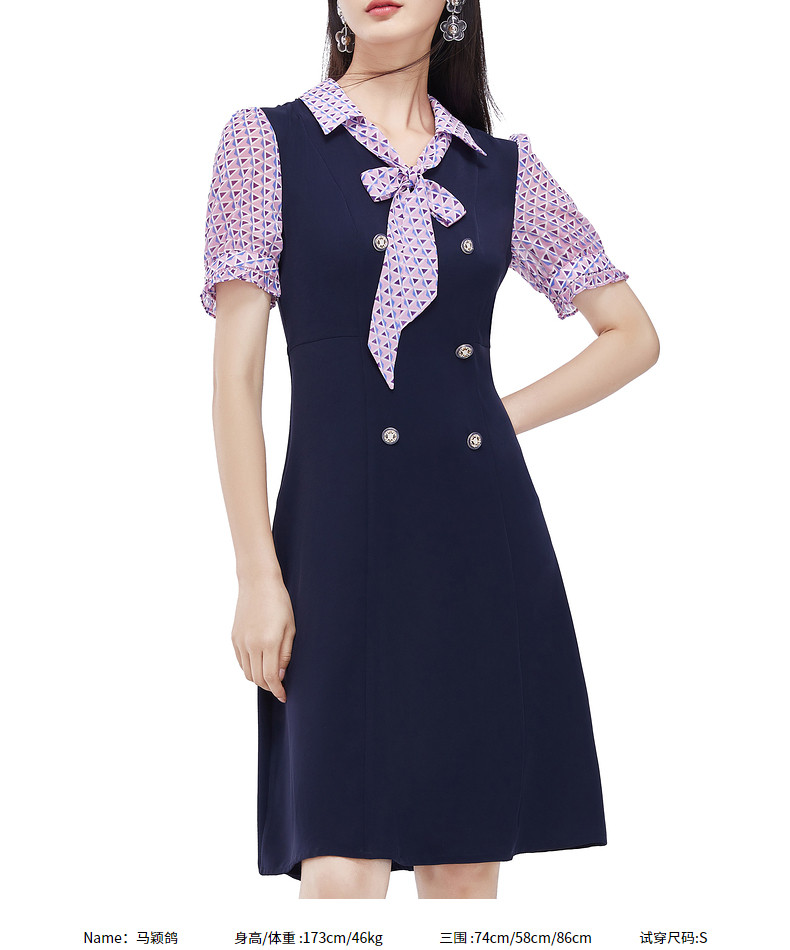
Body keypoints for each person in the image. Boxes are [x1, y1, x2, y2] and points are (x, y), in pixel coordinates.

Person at [200, 0, 659, 900]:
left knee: (463, 865)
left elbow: (632, 336)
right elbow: (236, 383)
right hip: (333, 538)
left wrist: (489, 418)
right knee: (339, 864)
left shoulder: (501, 168)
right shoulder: (266, 141)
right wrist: (257, 573)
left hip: (476, 533)